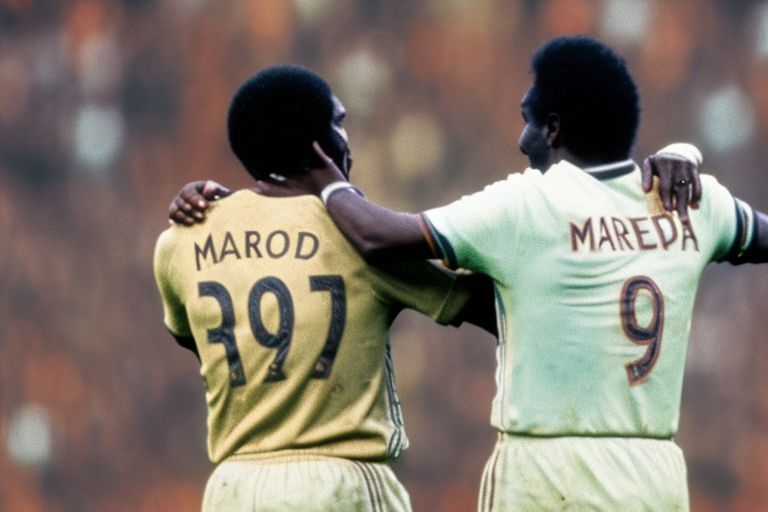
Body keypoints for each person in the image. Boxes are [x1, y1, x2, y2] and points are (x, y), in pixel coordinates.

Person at [219, 36, 766, 510]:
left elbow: (377, 236)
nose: (521, 140)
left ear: (553, 129)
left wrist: (325, 176)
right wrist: (685, 154)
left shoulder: (530, 205)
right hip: (655, 473)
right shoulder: (693, 202)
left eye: (528, 120)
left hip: (547, 471)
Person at [153, 65, 497, 512]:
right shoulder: (359, 239)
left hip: (231, 490)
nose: (346, 139)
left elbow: (192, 337)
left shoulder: (180, 241)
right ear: (317, 146)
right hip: (339, 481)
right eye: (339, 123)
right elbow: (483, 306)